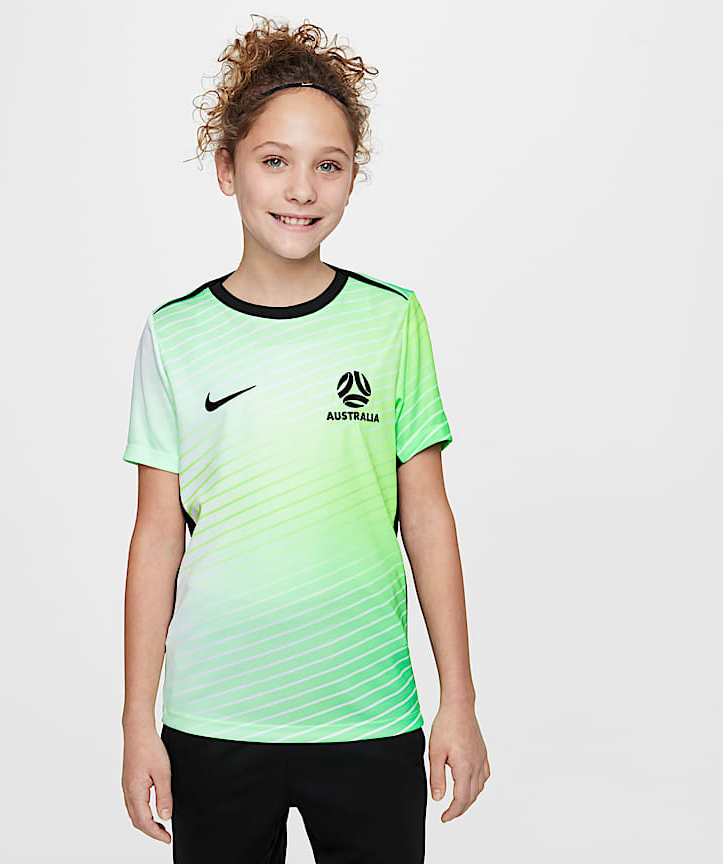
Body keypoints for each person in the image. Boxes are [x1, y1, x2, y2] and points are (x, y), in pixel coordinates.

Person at [120, 14, 489, 863]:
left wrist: (459, 701)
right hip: (214, 720)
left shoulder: (391, 320)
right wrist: (139, 722)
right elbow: (156, 535)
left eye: (329, 165)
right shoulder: (175, 334)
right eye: (273, 161)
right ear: (227, 168)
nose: (301, 189)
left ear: (353, 177)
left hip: (367, 715)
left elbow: (427, 517)